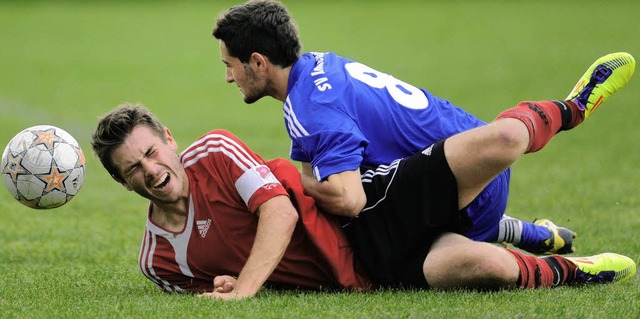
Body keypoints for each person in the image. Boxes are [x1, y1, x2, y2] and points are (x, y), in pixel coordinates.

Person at [91, 91, 635, 300]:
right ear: (123, 183)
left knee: (502, 140)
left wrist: (244, 289)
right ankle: (577, 268)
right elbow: (211, 286)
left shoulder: (211, 152)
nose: (151, 170)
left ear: (169, 141)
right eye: (133, 169)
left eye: (152, 152)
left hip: (361, 210)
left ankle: (572, 106)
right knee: (487, 266)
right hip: (368, 271)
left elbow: (278, 212)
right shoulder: (159, 262)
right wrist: (227, 284)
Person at [211, 0, 581, 255]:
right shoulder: (317, 65)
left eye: (230, 65)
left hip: (466, 188)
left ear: (258, 63)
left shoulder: (311, 108)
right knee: (355, 182)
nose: (228, 78)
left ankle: (537, 257)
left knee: (362, 235)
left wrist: (291, 182)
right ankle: (536, 233)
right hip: (481, 159)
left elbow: (348, 199)